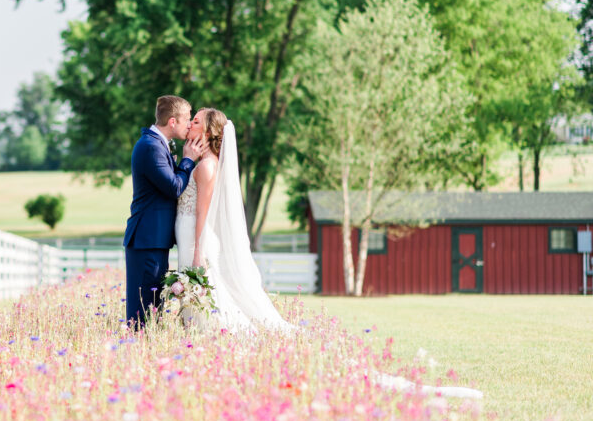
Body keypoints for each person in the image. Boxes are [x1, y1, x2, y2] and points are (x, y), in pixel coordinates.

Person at [175, 108, 482, 399]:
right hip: (195, 242)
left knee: (212, 305)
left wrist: (198, 254)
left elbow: (203, 215)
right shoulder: (205, 162)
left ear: (211, 131)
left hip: (198, 246)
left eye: (197, 121)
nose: (191, 125)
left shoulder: (207, 166)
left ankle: (224, 350)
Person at [124, 95, 205, 328]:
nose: (189, 124)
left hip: (153, 240)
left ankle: (146, 351)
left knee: (152, 309)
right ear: (172, 122)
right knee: (142, 313)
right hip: (146, 241)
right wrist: (188, 160)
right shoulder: (150, 147)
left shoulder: (156, 144)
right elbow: (174, 187)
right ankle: (138, 353)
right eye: (187, 119)